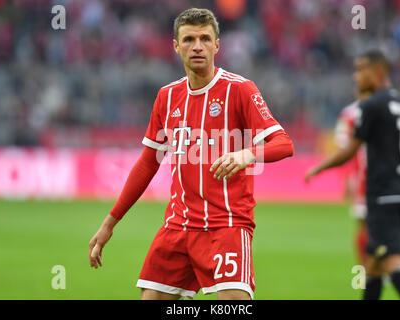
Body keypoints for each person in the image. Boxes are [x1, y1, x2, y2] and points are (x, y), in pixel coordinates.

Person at [88, 8, 294, 300]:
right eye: (188, 39)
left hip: (226, 226)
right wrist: (109, 223)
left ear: (217, 45)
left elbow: (284, 144)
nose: (197, 46)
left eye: (204, 39)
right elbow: (147, 164)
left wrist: (246, 155)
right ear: (176, 46)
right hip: (177, 227)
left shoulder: (240, 90)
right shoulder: (167, 96)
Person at [306, 50, 400, 300]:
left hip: (382, 195)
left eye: (361, 70)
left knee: (391, 263)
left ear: (378, 72)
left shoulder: (371, 105)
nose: (356, 76)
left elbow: (350, 150)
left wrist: (318, 168)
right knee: (373, 265)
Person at [334, 88, 371, 265]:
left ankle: (378, 267)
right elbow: (344, 148)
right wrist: (348, 177)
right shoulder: (349, 114)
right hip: (362, 179)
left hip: (383, 178)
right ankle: (366, 268)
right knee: (364, 225)